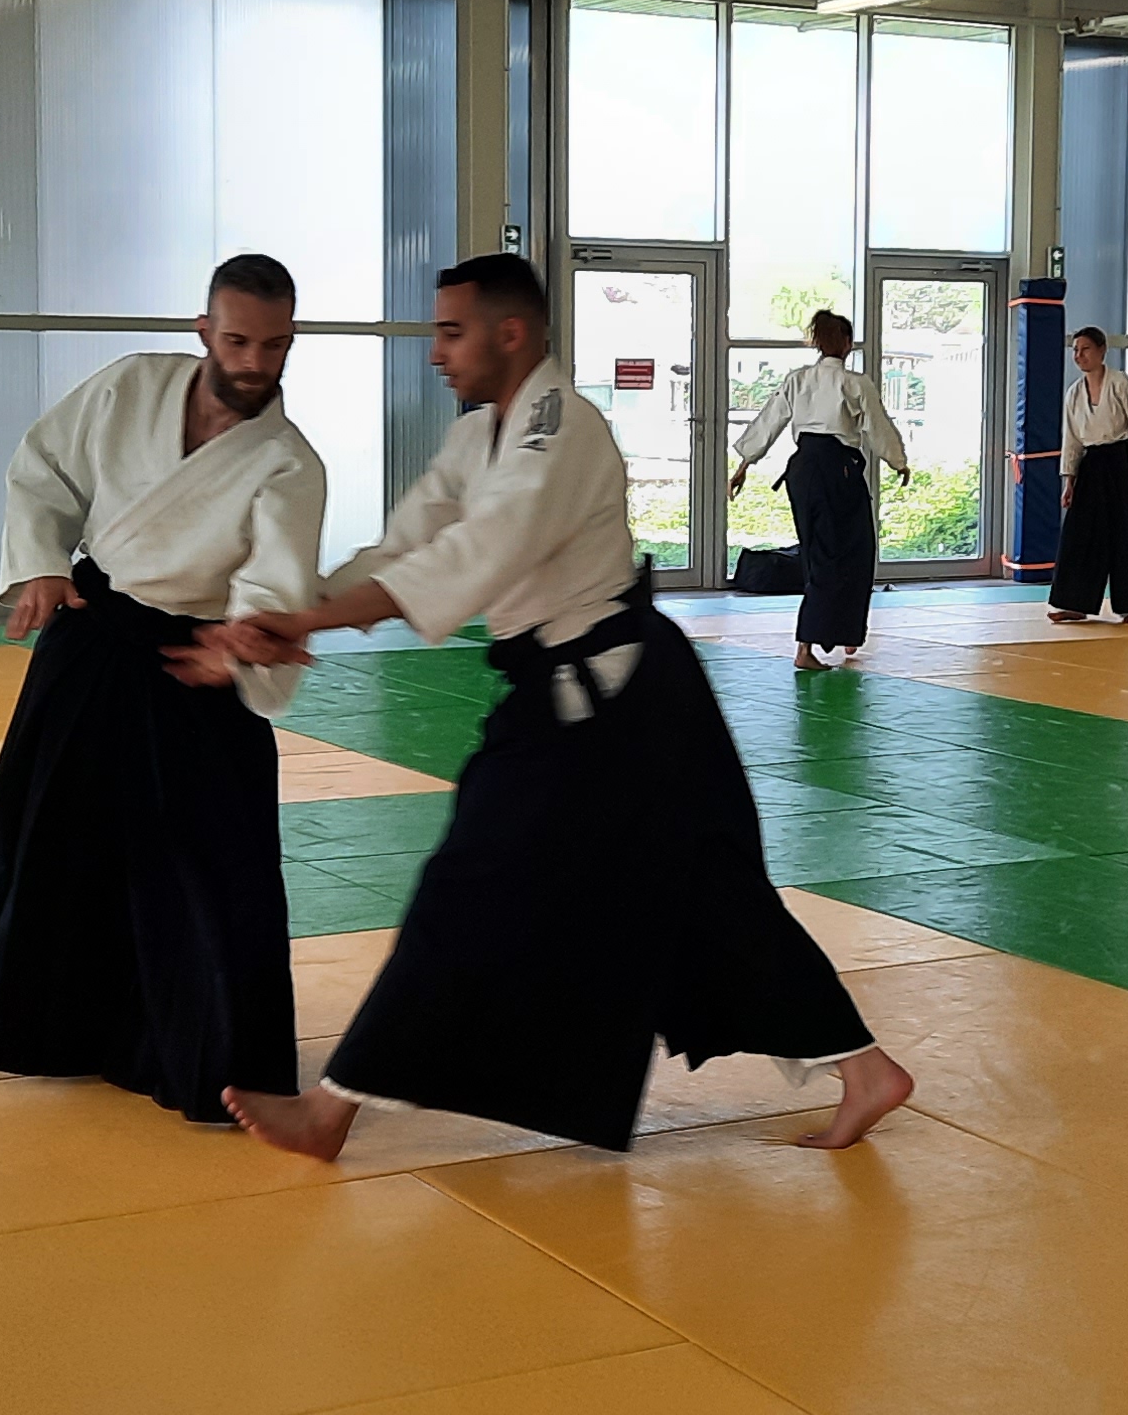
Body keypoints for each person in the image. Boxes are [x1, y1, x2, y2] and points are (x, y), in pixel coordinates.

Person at [217, 254, 914, 1161]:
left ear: (511, 334)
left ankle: (331, 1110)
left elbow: (479, 554)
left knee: (469, 882)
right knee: (706, 899)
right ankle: (865, 1068)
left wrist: (310, 619)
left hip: (610, 701)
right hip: (594, 697)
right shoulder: (481, 435)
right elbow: (408, 544)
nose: (436, 352)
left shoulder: (562, 429)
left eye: (451, 332)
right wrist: (297, 615)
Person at [0, 255, 327, 1125]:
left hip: (196, 658)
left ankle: (213, 1063)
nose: (255, 362)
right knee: (52, 837)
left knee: (215, 869)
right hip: (97, 631)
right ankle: (56, 1029)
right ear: (203, 331)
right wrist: (41, 561)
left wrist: (244, 643)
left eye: (275, 346)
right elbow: (45, 470)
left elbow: (277, 575)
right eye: (237, 341)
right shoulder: (131, 386)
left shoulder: (289, 462)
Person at [728, 308, 909, 670]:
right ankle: (817, 642)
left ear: (817, 343)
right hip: (836, 471)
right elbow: (878, 426)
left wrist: (745, 463)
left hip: (802, 470)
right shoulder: (855, 383)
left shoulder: (798, 379)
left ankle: (839, 634)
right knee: (854, 552)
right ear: (847, 343)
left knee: (818, 555)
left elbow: (769, 420)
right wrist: (898, 460)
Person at [1050, 326, 1128, 623]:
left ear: (1101, 350)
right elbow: (1071, 439)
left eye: (1085, 349)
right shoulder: (1074, 393)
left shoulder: (1121, 384)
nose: (1078, 355)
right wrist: (1069, 481)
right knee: (1080, 535)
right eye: (1075, 350)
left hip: (1123, 462)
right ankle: (1074, 602)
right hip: (1091, 464)